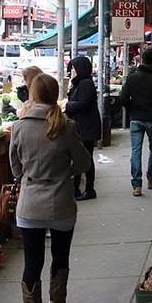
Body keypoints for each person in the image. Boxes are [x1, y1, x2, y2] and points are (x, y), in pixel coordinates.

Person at [10, 74, 92, 303]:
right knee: (60, 258)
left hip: (30, 205)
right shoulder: (66, 125)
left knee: (31, 264)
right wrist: (64, 172)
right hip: (62, 204)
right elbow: (83, 162)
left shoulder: (19, 127)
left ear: (32, 95)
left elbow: (15, 169)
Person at [117, 49, 152, 196]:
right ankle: (151, 179)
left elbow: (123, 98)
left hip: (136, 118)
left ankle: (137, 185)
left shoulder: (132, 78)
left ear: (142, 60)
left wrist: (132, 109)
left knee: (136, 150)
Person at [65, 56, 100, 201]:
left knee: (86, 158)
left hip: (87, 127)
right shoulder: (81, 83)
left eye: (73, 69)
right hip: (83, 126)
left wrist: (66, 106)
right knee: (80, 157)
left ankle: (89, 189)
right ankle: (76, 189)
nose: (72, 71)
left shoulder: (85, 84)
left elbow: (83, 104)